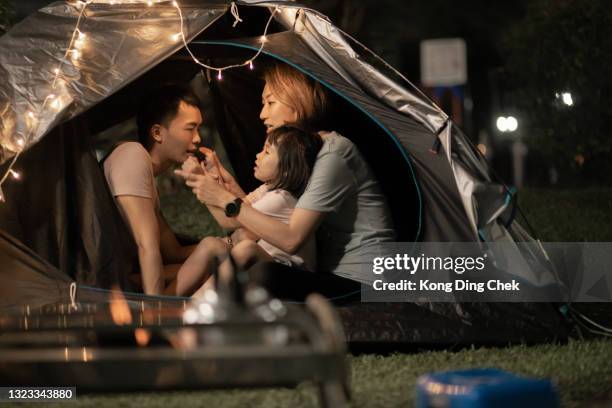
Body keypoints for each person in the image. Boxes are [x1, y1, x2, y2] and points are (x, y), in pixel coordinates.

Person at [177, 63, 396, 301]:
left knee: (260, 270)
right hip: (329, 272)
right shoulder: (301, 155)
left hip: (363, 281)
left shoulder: (332, 154)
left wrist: (223, 198)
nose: (262, 114)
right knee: (238, 255)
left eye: (270, 103)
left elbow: (291, 239)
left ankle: (190, 316)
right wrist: (221, 185)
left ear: (297, 102)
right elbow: (255, 218)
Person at [175, 126, 323, 293]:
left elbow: (228, 221)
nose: (258, 155)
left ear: (287, 170)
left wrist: (200, 182)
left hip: (293, 275)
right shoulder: (267, 189)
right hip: (268, 262)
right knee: (211, 244)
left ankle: (198, 304)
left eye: (267, 152)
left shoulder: (281, 198)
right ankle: (170, 298)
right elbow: (240, 207)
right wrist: (218, 174)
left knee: (246, 248)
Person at [103, 84, 208, 296]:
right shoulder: (132, 155)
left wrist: (232, 244)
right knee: (211, 266)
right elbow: (147, 247)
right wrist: (152, 317)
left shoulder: (147, 174)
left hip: (127, 275)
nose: (198, 138)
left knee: (216, 258)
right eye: (190, 128)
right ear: (158, 132)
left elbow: (172, 252)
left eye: (198, 129)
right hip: (108, 284)